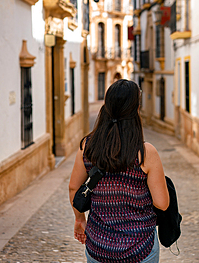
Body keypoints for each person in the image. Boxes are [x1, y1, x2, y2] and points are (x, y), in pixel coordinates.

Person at [69, 79, 169, 263]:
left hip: (99, 247)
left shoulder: (88, 147)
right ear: (136, 110)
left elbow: (74, 188)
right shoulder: (145, 153)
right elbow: (162, 203)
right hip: (140, 249)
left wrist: (79, 219)